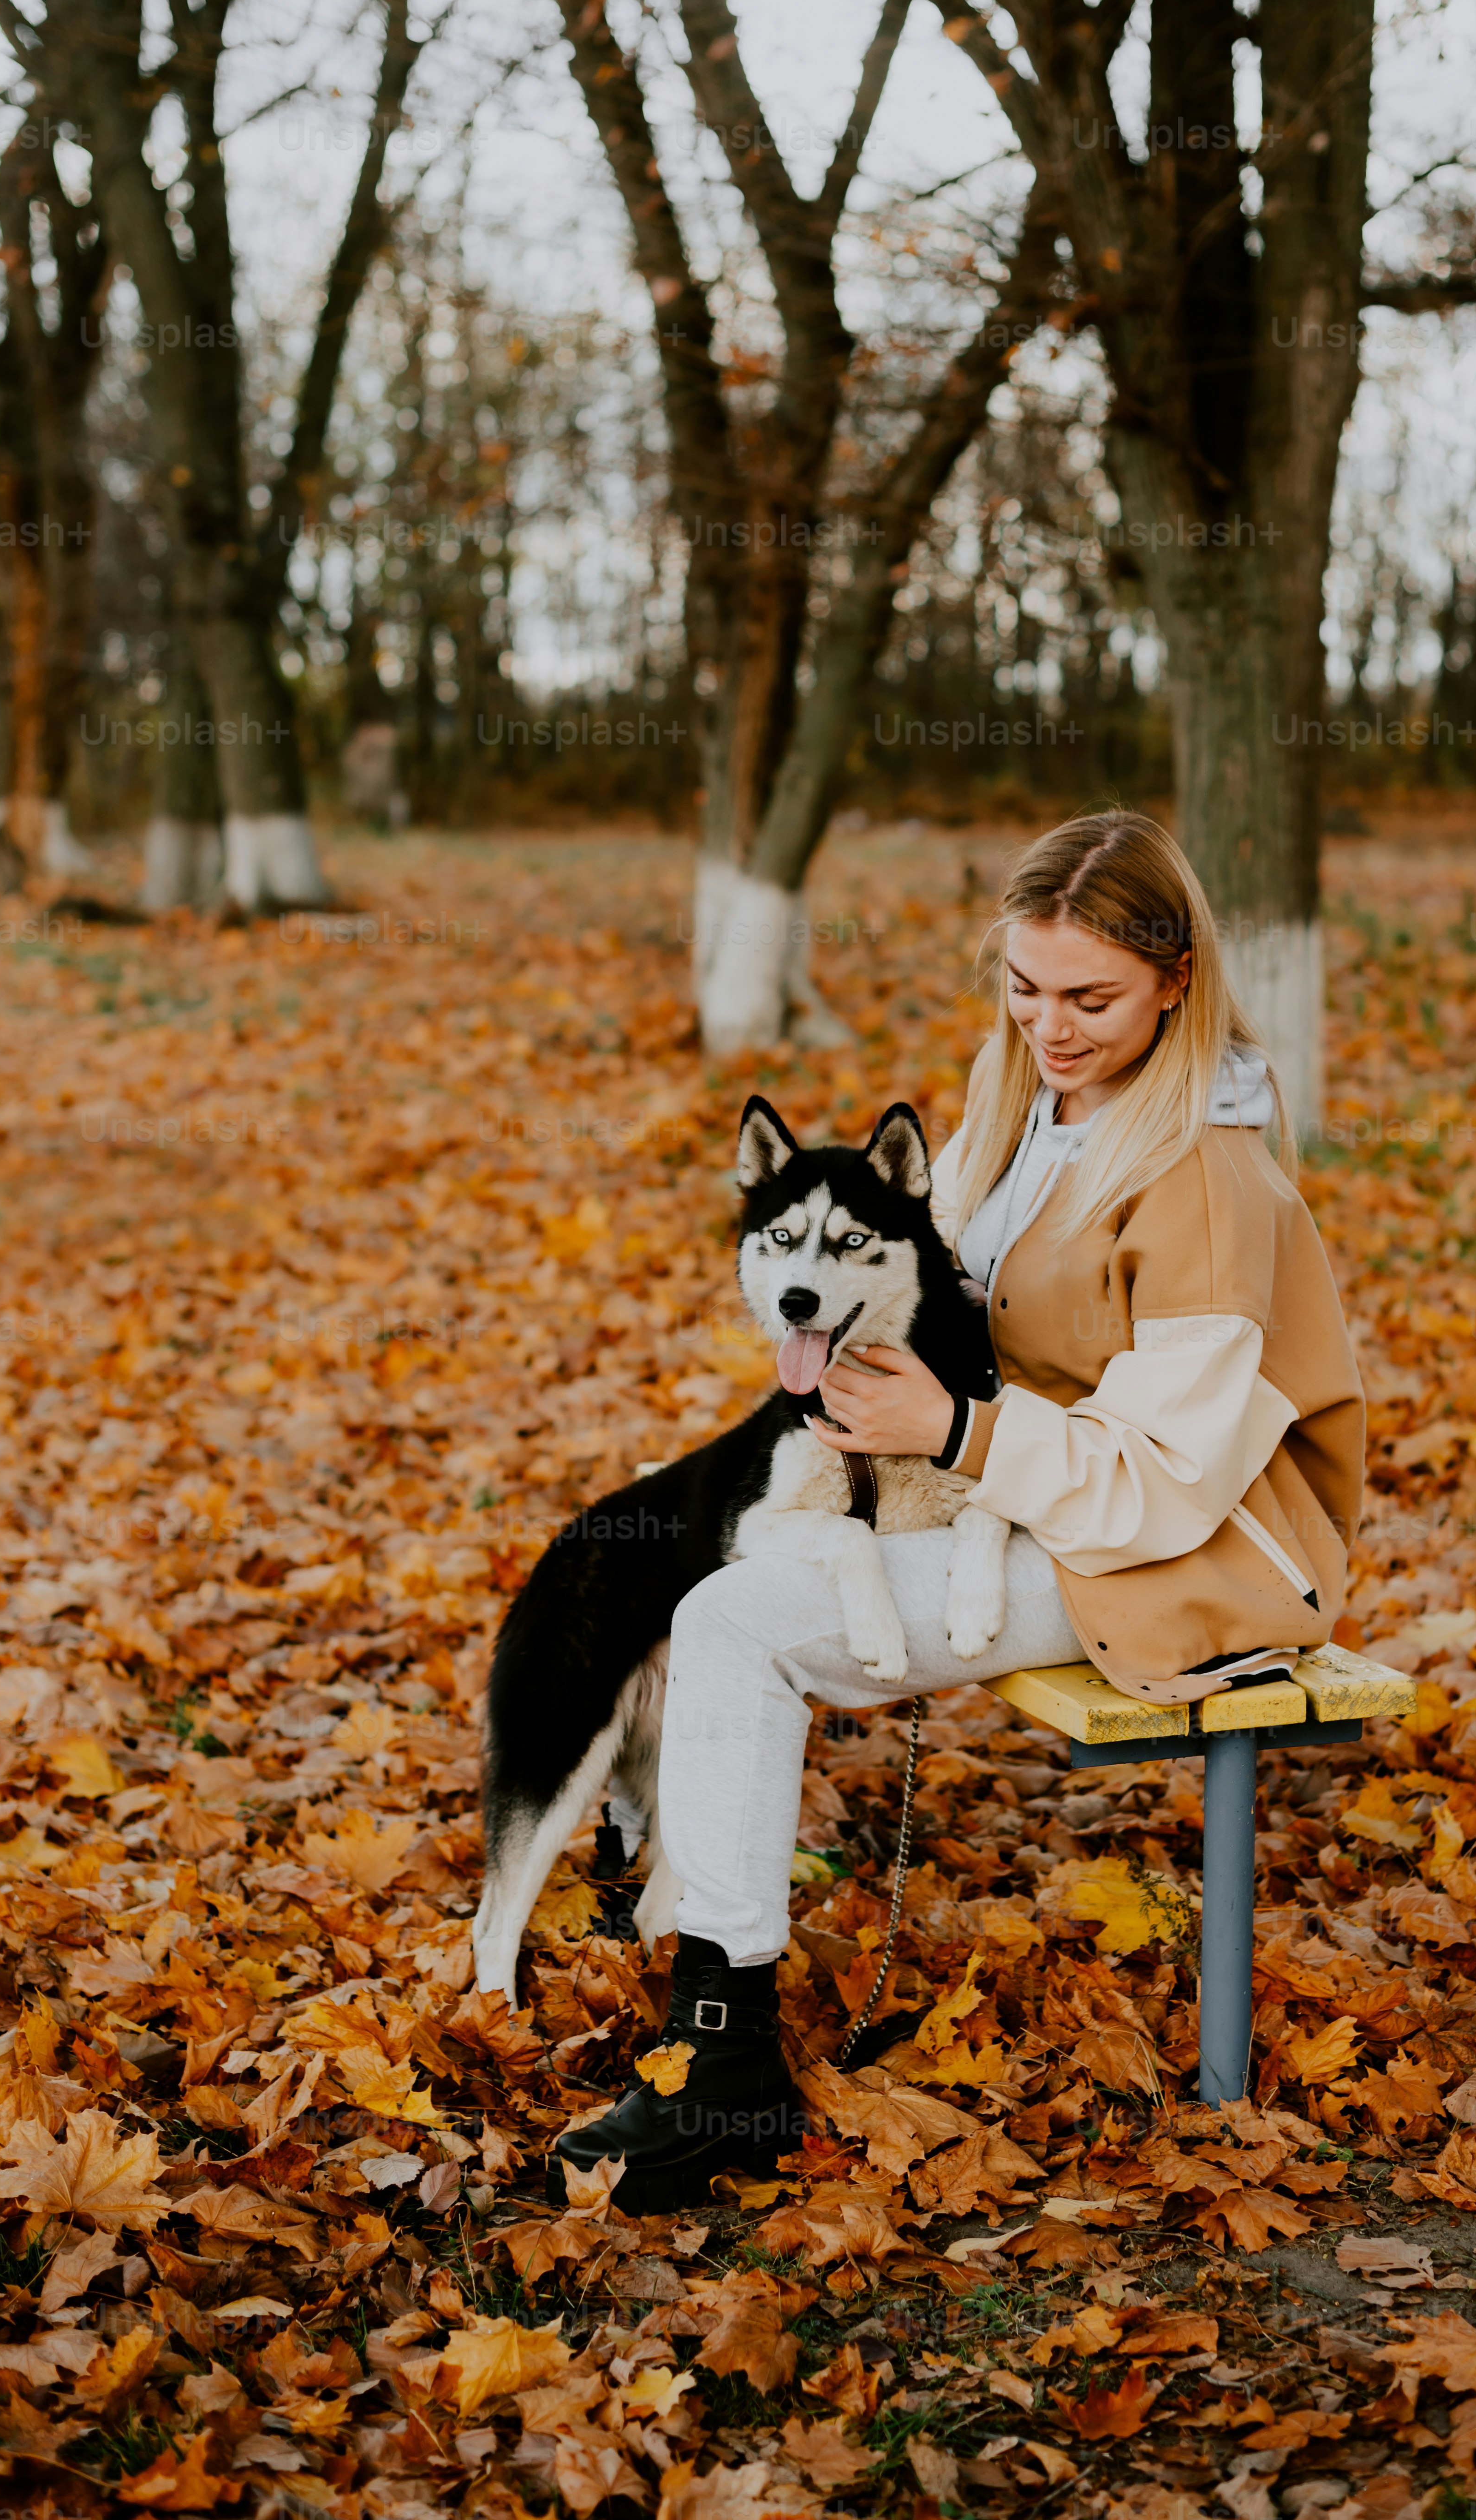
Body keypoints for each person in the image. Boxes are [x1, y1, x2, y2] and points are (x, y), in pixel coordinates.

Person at [563, 811, 1365, 2205]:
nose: (1050, 1026)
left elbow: (1170, 1476)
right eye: (1025, 986)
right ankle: (715, 2025)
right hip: (1010, 1491)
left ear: (1178, 980)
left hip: (1179, 1549)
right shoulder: (1024, 1113)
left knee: (739, 1621)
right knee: (722, 1578)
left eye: (1092, 998)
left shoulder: (1212, 1179)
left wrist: (951, 1429)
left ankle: (723, 2059)